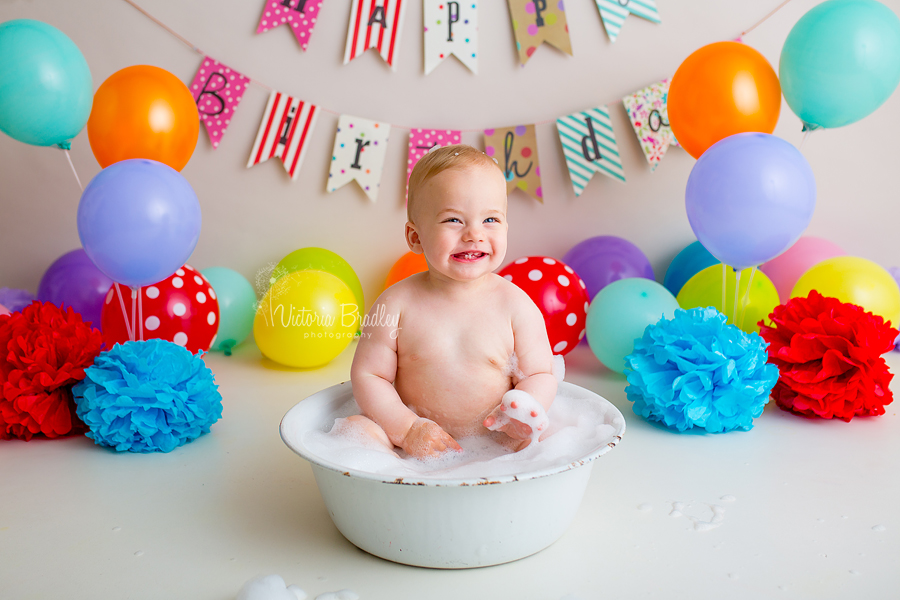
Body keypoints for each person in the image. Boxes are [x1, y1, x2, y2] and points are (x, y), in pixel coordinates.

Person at [349, 144, 557, 459]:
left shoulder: (515, 306)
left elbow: (541, 374)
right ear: (415, 237)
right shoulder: (395, 305)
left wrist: (525, 409)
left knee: (547, 443)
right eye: (453, 220)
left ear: (505, 226)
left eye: (490, 220)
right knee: (359, 431)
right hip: (413, 448)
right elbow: (369, 376)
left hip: (499, 444)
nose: (474, 234)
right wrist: (406, 430)